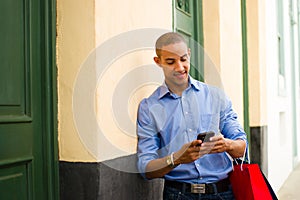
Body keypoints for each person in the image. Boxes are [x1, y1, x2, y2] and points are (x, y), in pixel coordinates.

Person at [136, 32, 247, 200]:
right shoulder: (149, 107)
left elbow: (242, 148)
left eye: (183, 59)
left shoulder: (216, 96)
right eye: (171, 62)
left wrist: (228, 145)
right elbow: (145, 168)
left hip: (223, 193)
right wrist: (176, 159)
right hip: (178, 195)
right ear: (158, 62)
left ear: (189, 54)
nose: (180, 67)